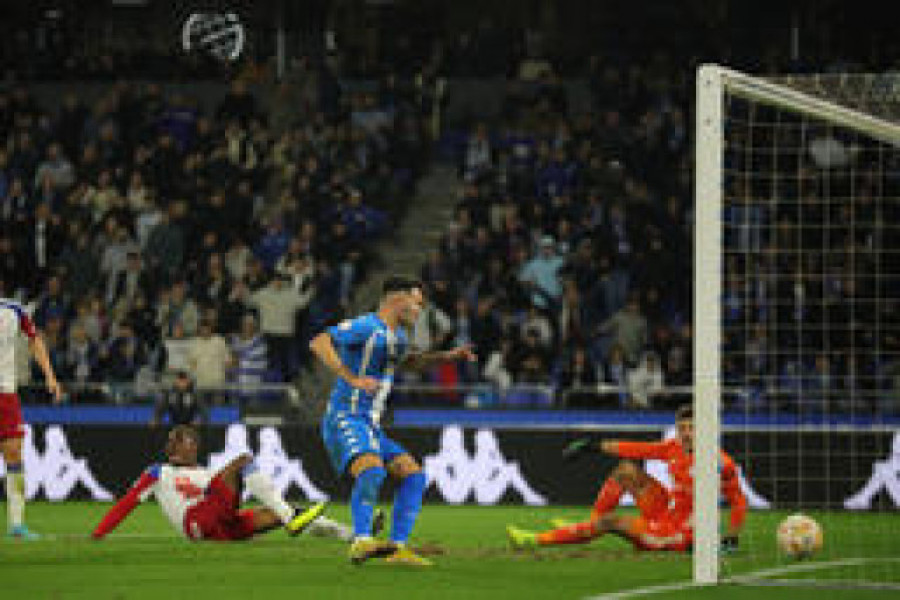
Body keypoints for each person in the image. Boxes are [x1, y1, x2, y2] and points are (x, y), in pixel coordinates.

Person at [310, 275, 476, 566]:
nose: (419, 310)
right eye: (417, 303)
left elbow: (410, 361)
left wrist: (448, 356)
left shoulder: (397, 337)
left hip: (370, 424)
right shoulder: (367, 326)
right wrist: (351, 378)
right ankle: (361, 541)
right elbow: (319, 342)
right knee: (372, 471)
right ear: (398, 299)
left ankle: (397, 548)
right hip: (345, 417)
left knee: (413, 475)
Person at [506, 405, 747, 553]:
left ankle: (534, 540)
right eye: (681, 428)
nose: (685, 434)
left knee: (613, 521)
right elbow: (636, 448)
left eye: (691, 428)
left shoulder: (719, 463)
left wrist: (731, 539)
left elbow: (738, 500)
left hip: (682, 534)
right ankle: (590, 524)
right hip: (667, 513)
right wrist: (594, 446)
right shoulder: (673, 448)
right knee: (626, 471)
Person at [92, 425, 326, 542]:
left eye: (181, 442)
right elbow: (127, 503)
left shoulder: (206, 473)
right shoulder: (157, 473)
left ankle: (348, 534)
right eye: (173, 442)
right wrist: (98, 534)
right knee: (244, 460)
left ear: (194, 446)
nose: (173, 446)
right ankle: (289, 516)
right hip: (197, 521)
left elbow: (224, 500)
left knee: (279, 513)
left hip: (220, 526)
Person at [1, 298, 63, 539]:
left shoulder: (13, 310)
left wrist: (50, 375)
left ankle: (16, 525)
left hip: (5, 394)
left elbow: (34, 340)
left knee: (14, 455)